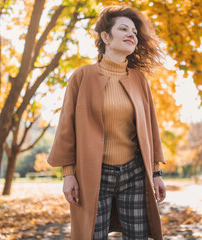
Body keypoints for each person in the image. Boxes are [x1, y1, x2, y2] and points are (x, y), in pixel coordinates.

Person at [47, 5, 167, 240]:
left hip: (134, 173)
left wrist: (156, 172)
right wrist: (68, 174)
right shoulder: (81, 76)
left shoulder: (140, 80)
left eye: (134, 31)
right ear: (105, 37)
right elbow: (66, 129)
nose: (131, 34)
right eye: (123, 29)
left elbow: (151, 129)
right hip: (93, 174)